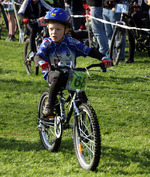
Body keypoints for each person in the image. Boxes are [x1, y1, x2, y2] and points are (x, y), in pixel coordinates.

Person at [34, 8, 113, 120]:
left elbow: (89, 51)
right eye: (51, 29)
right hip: (52, 73)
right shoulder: (47, 43)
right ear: (47, 28)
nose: (53, 32)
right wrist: (42, 62)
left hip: (69, 73)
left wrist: (103, 57)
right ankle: (49, 105)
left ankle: (83, 124)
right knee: (58, 77)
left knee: (82, 97)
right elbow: (38, 56)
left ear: (66, 30)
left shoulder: (72, 42)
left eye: (58, 29)